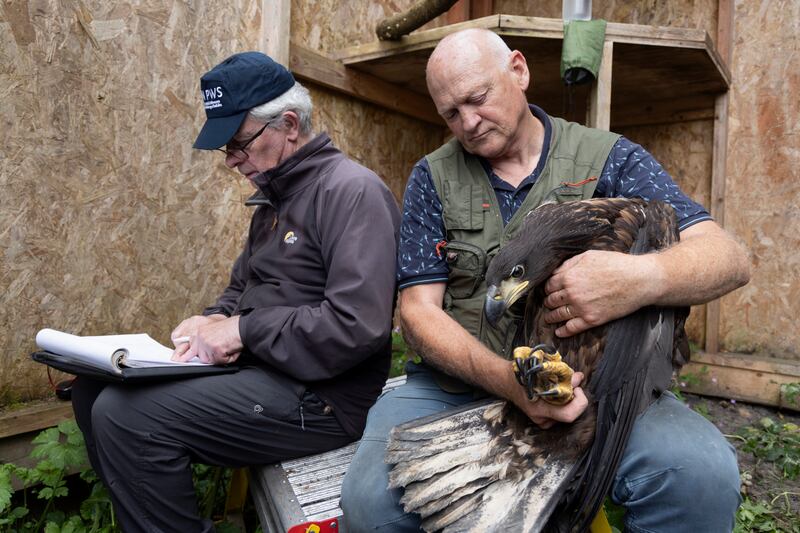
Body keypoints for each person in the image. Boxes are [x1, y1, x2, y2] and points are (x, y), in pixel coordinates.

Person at [340, 28, 750, 532]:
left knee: (698, 476)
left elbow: (728, 257)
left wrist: (641, 278)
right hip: (458, 385)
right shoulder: (433, 177)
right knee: (370, 505)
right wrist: (508, 384)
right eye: (450, 112)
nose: (467, 122)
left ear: (518, 70)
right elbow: (418, 311)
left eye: (477, 98)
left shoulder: (612, 159)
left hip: (601, 390)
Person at [71, 51, 401, 532]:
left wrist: (243, 330)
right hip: (263, 371)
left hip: (323, 398)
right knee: (91, 392)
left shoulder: (352, 193)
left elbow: (357, 327)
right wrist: (210, 320)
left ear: (288, 124)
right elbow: (239, 292)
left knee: (129, 417)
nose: (230, 161)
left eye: (237, 144)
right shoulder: (272, 202)